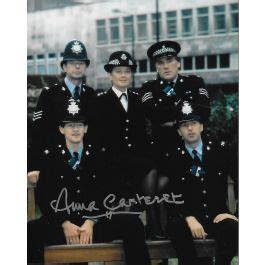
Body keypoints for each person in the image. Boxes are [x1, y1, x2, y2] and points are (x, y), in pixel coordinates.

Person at [28, 99, 151, 265]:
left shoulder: (99, 156)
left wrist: (91, 220)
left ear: (86, 128)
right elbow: (44, 195)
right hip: (63, 225)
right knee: (29, 232)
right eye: (70, 125)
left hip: (94, 224)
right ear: (61, 129)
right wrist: (64, 222)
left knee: (132, 224)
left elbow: (110, 191)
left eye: (79, 124)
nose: (76, 129)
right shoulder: (51, 158)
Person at [88, 51, 164, 239]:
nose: (123, 75)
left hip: (136, 163)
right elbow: (96, 140)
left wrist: (148, 157)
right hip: (112, 165)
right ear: (110, 75)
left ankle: (154, 226)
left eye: (127, 71)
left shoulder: (138, 100)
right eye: (118, 71)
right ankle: (148, 227)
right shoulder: (100, 102)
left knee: (152, 169)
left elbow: (142, 137)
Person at [166, 100, 238, 265]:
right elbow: (170, 194)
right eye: (184, 125)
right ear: (179, 131)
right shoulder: (173, 158)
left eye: (194, 123)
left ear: (201, 126)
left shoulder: (220, 152)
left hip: (216, 217)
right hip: (187, 220)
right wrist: (188, 217)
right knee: (176, 227)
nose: (190, 128)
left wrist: (236, 215)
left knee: (234, 228)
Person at [139, 40, 211, 176]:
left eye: (169, 60)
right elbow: (154, 114)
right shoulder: (148, 87)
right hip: (163, 148)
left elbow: (204, 111)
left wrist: (169, 120)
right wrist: (185, 111)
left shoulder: (195, 82)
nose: (166, 66)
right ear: (156, 66)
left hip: (193, 147)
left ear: (178, 63)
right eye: (160, 62)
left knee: (200, 182)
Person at [28, 39, 95, 184]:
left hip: (86, 164)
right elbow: (38, 132)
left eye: (82, 63)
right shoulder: (49, 94)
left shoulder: (91, 94)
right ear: (64, 66)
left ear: (86, 66)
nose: (77, 66)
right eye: (72, 62)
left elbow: (95, 132)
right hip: (55, 163)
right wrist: (33, 166)